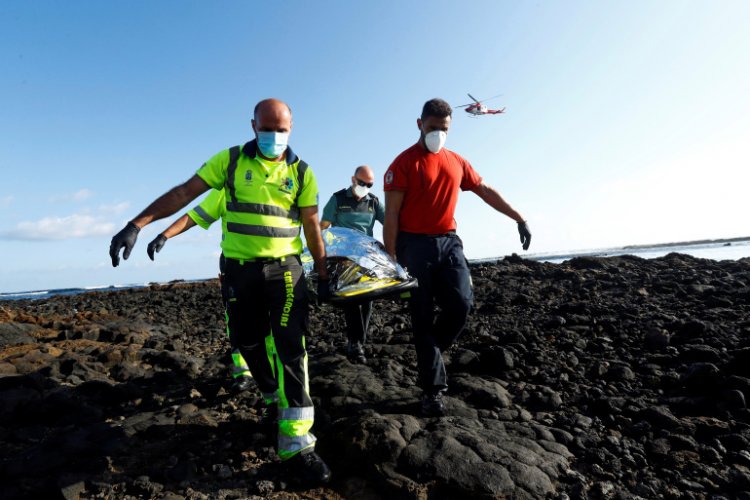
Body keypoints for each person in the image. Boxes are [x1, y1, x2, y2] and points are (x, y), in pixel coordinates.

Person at [109, 98, 331, 484]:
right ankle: (270, 396)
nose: (274, 136)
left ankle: (296, 443)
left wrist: (324, 272)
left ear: (291, 129)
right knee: (246, 342)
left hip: (285, 272)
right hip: (239, 273)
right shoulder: (228, 163)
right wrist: (138, 224)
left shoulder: (303, 172)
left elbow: (312, 226)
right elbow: (184, 195)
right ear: (253, 126)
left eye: (281, 130)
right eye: (267, 128)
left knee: (291, 348)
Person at [383, 98, 531, 417]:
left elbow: (485, 190)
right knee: (421, 316)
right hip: (414, 245)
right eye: (433, 127)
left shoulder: (457, 161)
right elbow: (392, 214)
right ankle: (433, 390)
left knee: (462, 304)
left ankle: (430, 352)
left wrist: (518, 217)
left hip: (449, 242)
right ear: (420, 124)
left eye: (444, 129)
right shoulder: (402, 164)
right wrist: (392, 258)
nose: (439, 133)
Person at [146, 189, 256, 394]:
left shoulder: (281, 184)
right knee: (237, 324)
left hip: (275, 268)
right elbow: (195, 215)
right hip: (234, 267)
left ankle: (272, 374)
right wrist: (164, 235)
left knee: (273, 323)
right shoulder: (228, 190)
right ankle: (244, 373)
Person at [320, 166, 385, 364]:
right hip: (343, 257)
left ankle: (358, 342)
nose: (365, 187)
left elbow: (390, 222)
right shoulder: (338, 199)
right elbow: (322, 227)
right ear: (353, 179)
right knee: (351, 300)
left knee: (368, 299)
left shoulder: (373, 202)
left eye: (369, 184)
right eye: (362, 182)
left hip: (367, 256)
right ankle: (355, 344)